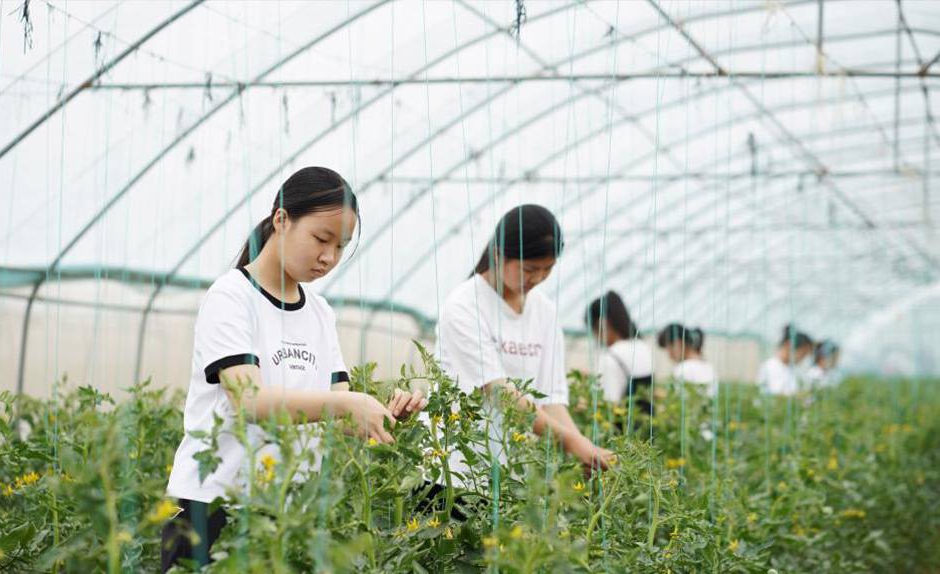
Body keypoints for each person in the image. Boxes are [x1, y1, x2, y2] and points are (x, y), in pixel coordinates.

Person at [161, 167, 427, 572]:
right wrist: (348, 405)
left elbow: (337, 413)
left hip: (285, 514)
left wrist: (383, 414)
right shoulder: (231, 297)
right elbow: (250, 401)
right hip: (212, 506)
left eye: (341, 246)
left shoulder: (319, 312)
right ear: (281, 219)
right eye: (321, 239)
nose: (329, 258)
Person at [435, 204, 615, 491]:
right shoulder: (464, 306)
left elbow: (552, 398)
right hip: (454, 473)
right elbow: (499, 393)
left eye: (548, 270)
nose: (537, 278)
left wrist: (585, 450)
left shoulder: (545, 312)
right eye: (529, 269)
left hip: (511, 475)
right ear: (497, 255)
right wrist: (571, 443)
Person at [587, 291, 655, 420]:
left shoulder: (611, 357)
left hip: (621, 435)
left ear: (603, 324)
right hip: (647, 430)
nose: (597, 337)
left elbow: (608, 404)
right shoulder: (642, 347)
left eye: (594, 330)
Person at [657, 323, 717, 396]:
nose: (669, 356)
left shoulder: (683, 369)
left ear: (678, 343)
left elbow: (677, 400)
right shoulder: (708, 367)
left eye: (668, 349)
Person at [756, 324, 814, 396]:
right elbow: (777, 394)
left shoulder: (789, 368)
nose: (803, 359)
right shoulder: (771, 366)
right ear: (789, 345)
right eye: (803, 354)